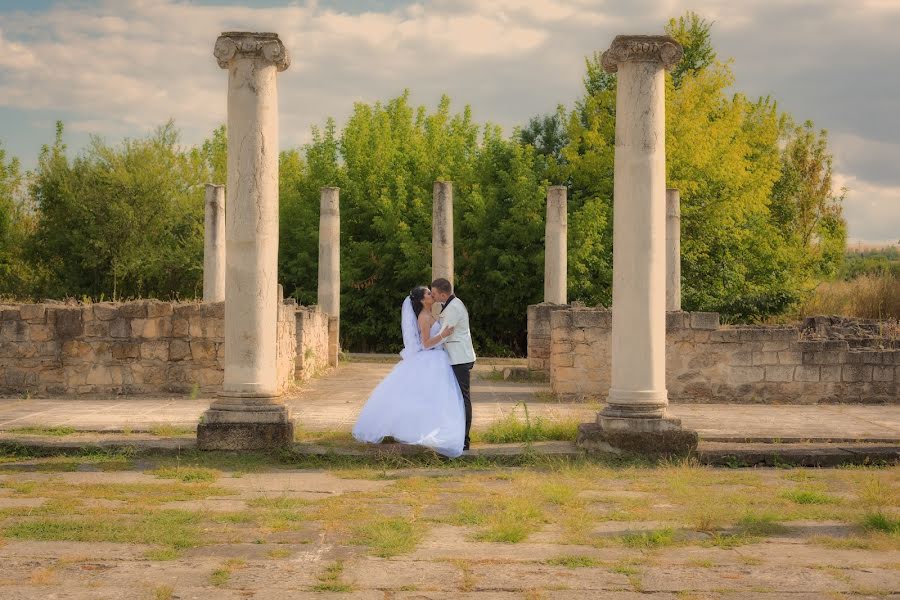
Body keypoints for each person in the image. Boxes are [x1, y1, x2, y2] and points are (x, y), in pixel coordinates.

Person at [351, 286, 466, 458]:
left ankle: (432, 426)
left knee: (434, 398)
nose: (431, 295)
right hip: (431, 359)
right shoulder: (424, 317)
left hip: (438, 358)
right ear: (421, 300)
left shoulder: (431, 314)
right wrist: (444, 335)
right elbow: (426, 343)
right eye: (428, 293)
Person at [430, 278, 476, 450]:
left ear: (443, 294)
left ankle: (464, 439)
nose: (432, 296)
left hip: (459, 358)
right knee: (456, 398)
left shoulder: (454, 307)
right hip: (454, 357)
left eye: (434, 293)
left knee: (463, 398)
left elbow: (444, 334)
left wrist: (425, 345)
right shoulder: (450, 305)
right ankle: (455, 434)